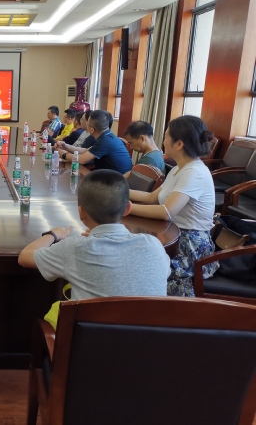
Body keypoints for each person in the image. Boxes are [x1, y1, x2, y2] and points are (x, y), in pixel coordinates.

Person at [18, 169, 169, 307]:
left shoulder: (74, 248)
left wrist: (53, 234)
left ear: (81, 212)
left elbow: (24, 257)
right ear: (127, 208)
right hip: (152, 329)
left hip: (93, 330)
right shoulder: (154, 246)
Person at [128, 115, 218, 297]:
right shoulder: (179, 168)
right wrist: (119, 192)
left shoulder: (194, 172)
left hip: (188, 243)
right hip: (172, 231)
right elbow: (152, 197)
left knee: (138, 261)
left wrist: (125, 208)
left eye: (166, 136)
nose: (163, 141)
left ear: (179, 144)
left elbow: (165, 211)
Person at [57, 110, 132, 174]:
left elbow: (82, 159)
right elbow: (85, 151)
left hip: (116, 180)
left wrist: (62, 154)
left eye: (87, 124)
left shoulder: (105, 141)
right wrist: (65, 146)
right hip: (110, 175)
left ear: (91, 130)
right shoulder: (106, 135)